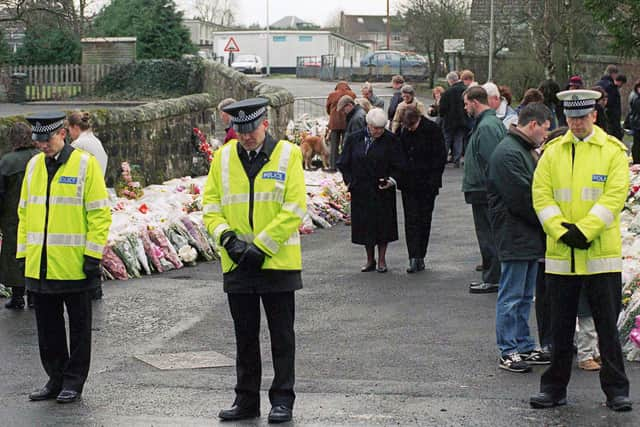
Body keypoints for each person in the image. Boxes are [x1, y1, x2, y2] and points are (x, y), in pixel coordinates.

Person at [202, 98, 306, 423]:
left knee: (281, 336)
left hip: (276, 263)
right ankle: (246, 399)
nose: (246, 136)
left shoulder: (289, 155)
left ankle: (282, 399)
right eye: (240, 130)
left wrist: (261, 247)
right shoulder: (222, 158)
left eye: (252, 129)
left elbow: (295, 207)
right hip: (237, 264)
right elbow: (210, 205)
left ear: (265, 124)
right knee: (244, 337)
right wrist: (227, 239)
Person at [530, 89, 632, 412]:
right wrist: (562, 230)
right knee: (559, 330)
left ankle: (616, 390)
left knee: (607, 330)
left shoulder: (613, 151)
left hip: (600, 256)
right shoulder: (552, 152)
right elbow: (541, 196)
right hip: (562, 257)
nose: (575, 123)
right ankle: (554, 388)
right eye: (571, 118)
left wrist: (584, 231)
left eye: (581, 117)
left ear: (594, 115)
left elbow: (614, 197)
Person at [18, 112, 112, 404]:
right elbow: (24, 213)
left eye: (47, 139)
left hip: (74, 265)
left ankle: (73, 381)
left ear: (61, 133)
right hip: (41, 264)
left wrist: (92, 256)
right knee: (48, 329)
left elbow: (99, 213)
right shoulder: (33, 166)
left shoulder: (85, 165)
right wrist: (23, 254)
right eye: (38, 141)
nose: (42, 146)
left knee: (80, 328)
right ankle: (55, 378)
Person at [487, 103, 552, 373]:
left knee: (525, 295)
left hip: (525, 235)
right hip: (515, 233)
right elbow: (523, 198)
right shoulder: (509, 153)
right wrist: (549, 220)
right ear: (533, 124)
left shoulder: (522, 150)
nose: (546, 135)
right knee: (512, 295)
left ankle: (524, 345)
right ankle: (508, 350)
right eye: (546, 129)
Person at [337, 108, 406, 273]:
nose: (378, 132)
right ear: (368, 125)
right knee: (365, 226)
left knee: (383, 225)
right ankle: (370, 260)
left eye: (382, 128)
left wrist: (391, 180)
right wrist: (349, 181)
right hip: (361, 189)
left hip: (382, 189)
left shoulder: (391, 140)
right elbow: (343, 162)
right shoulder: (355, 138)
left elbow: (400, 164)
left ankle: (382, 260)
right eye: (375, 128)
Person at [462, 86, 506, 294]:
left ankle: (493, 278)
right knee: (488, 234)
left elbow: (492, 161)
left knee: (488, 235)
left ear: (475, 102)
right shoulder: (486, 123)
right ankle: (492, 276)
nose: (465, 108)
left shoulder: (487, 126)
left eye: (466, 103)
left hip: (484, 191)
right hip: (482, 190)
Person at [397, 106, 446, 273]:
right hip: (408, 184)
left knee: (424, 220)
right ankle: (413, 256)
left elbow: (440, 157)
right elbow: (398, 153)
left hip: (427, 184)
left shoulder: (432, 130)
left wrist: (432, 179)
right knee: (411, 220)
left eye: (412, 126)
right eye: (407, 127)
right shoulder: (403, 130)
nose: (410, 129)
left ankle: (421, 255)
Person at [67, 111, 109, 301]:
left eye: (69, 129)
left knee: (84, 247)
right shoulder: (95, 141)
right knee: (93, 245)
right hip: (97, 193)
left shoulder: (78, 145)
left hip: (83, 197)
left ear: (75, 127)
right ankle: (95, 286)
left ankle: (91, 287)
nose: (68, 133)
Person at [0, 122, 39, 310]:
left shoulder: (7, 162)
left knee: (14, 252)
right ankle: (33, 295)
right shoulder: (40, 158)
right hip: (38, 213)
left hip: (12, 215)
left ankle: (17, 296)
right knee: (35, 250)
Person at [439, 71, 468, 167]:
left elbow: (442, 108)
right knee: (458, 139)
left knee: (446, 139)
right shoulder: (465, 90)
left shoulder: (447, 92)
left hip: (449, 120)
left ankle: (442, 159)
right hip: (462, 120)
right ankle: (457, 160)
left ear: (450, 81)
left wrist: (442, 116)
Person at [325, 81, 356, 171]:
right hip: (347, 122)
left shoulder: (332, 95)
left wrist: (332, 114)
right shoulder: (352, 94)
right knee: (346, 144)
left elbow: (327, 108)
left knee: (334, 145)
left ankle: (332, 166)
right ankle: (344, 165)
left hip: (334, 123)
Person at [596, 65, 624, 140]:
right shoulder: (611, 86)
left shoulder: (598, 84)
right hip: (611, 119)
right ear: (613, 74)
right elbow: (612, 104)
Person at [628, 79, 640, 163]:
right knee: (637, 145)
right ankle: (637, 161)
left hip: (635, 122)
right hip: (637, 124)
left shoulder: (634, 95)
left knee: (636, 144)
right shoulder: (637, 98)